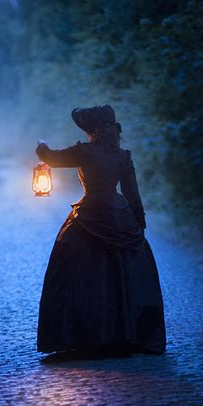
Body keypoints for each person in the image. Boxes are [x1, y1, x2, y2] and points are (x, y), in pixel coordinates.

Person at [35, 104, 166, 356]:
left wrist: (41, 146)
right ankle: (126, 334)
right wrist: (138, 227)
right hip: (120, 214)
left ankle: (86, 334)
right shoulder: (122, 156)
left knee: (72, 262)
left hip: (90, 214)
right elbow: (132, 195)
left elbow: (51, 157)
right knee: (124, 273)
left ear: (92, 130)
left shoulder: (85, 151)